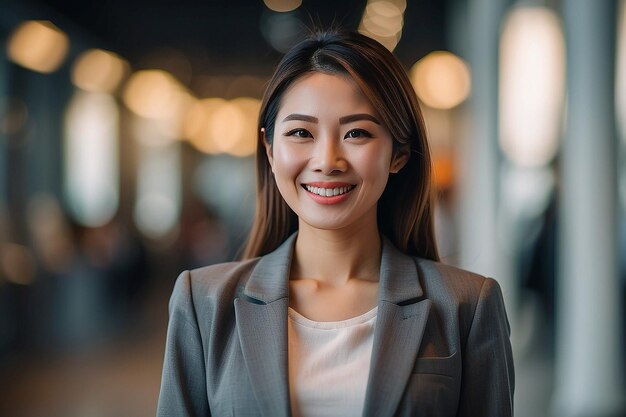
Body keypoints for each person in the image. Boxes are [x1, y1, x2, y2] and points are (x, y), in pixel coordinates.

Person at [157, 30, 514, 417]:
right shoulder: (204, 302)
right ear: (270, 150)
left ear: (398, 153)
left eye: (356, 132)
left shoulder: (466, 305)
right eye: (300, 133)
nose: (327, 160)